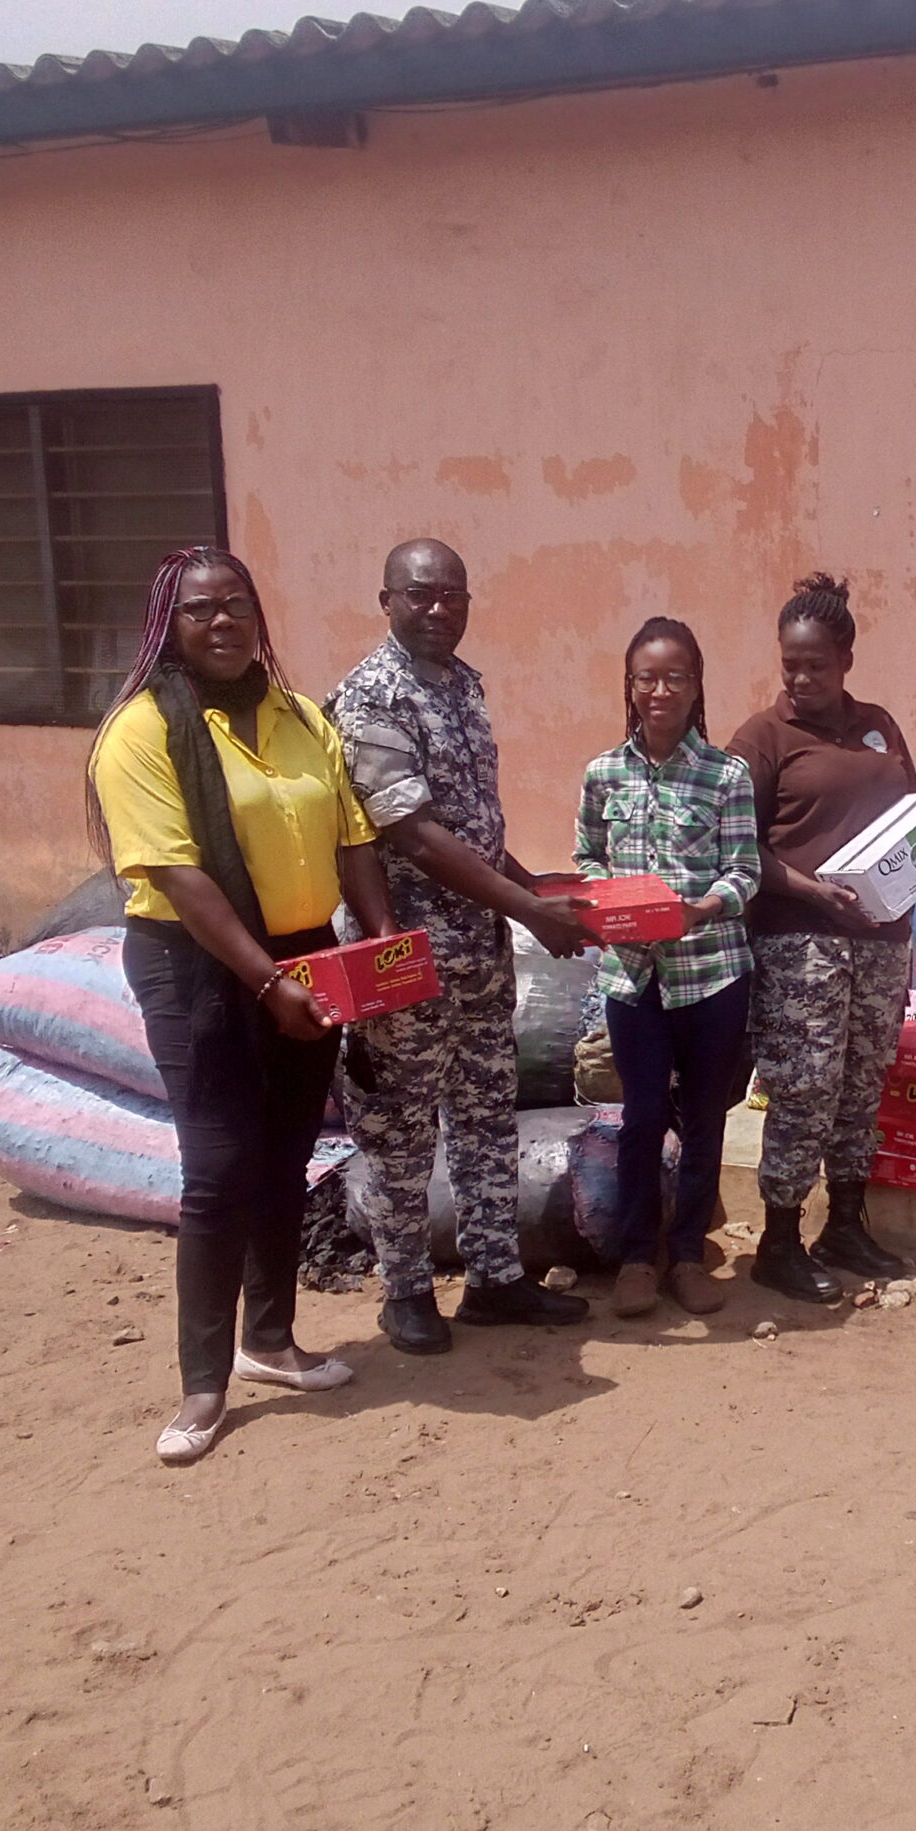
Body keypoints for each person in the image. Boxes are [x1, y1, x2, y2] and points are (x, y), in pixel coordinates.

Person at [87, 547, 395, 1465]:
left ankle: (271, 1340)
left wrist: (378, 944)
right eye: (200, 609)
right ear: (168, 626)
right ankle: (202, 1382)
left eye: (237, 605)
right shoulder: (140, 732)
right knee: (220, 1168)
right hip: (197, 965)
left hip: (306, 957)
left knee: (287, 1153)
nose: (222, 622)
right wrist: (268, 983)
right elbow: (180, 875)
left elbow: (352, 836)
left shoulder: (302, 718)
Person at [326, 539, 594, 1355]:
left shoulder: (464, 686)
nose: (440, 609)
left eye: (454, 595)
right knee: (401, 1130)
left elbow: (472, 829)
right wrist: (530, 910)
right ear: (387, 601)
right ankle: (405, 1291)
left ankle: (495, 1279)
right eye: (422, 594)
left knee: (484, 1119)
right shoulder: (372, 697)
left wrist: (532, 888)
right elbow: (412, 833)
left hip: (477, 953)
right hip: (405, 957)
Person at [728, 572, 916, 1303]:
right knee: (804, 1088)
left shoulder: (879, 725)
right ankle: (779, 1242)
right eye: (791, 665)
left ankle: (844, 1225)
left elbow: (913, 817)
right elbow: (736, 846)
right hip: (801, 941)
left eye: (816, 665)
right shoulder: (762, 738)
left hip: (881, 937)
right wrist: (813, 890)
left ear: (846, 660)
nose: (801, 679)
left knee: (861, 1083)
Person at [574, 618, 759, 1319]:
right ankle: (635, 1259)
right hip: (633, 977)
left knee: (705, 1116)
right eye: (646, 678)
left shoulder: (726, 775)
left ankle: (687, 1255)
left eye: (675, 677)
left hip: (711, 973)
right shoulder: (604, 774)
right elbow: (587, 857)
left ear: (696, 685)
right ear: (629, 686)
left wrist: (700, 908)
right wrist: (608, 900)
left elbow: (745, 871)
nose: (660, 691)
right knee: (641, 1115)